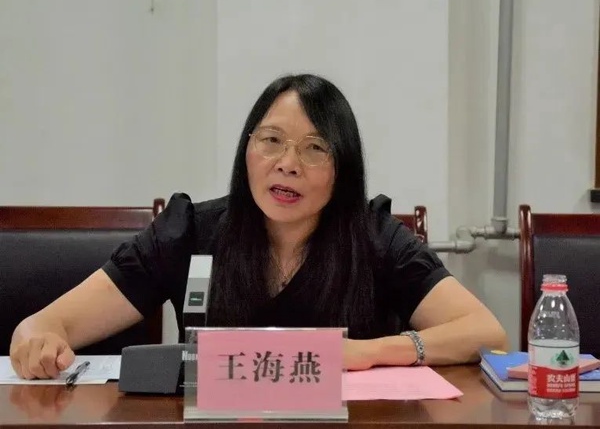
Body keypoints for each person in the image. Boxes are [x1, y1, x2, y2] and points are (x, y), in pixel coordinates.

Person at [10, 73, 508, 379]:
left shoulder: (373, 237)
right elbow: (45, 325)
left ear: (343, 169)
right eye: (271, 140)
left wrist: (367, 353)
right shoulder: (190, 231)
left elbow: (486, 332)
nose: (287, 164)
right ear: (246, 149)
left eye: (315, 149)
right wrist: (38, 338)